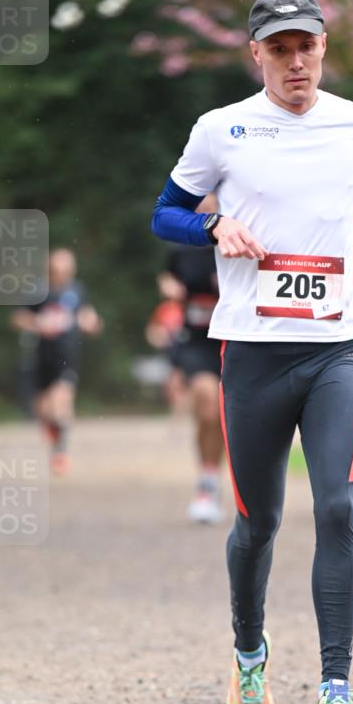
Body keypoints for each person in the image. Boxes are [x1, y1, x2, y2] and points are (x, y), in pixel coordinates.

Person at [152, 0, 353, 704]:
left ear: (323, 47)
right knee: (258, 523)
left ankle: (335, 691)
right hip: (252, 353)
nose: (296, 61)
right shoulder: (220, 129)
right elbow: (164, 212)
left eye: (307, 46)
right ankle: (249, 659)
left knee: (338, 506)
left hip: (335, 345)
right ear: (255, 53)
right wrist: (214, 223)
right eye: (280, 48)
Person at [157, 193, 224, 524]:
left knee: (224, 416)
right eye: (198, 203)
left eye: (210, 202)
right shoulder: (181, 249)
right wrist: (169, 286)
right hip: (196, 340)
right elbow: (167, 276)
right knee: (207, 403)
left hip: (230, 340)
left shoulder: (233, 242)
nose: (203, 207)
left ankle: (217, 476)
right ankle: (207, 482)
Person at [10, 248, 103, 474]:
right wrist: (38, 323)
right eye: (59, 268)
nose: (64, 272)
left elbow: (89, 316)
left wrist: (92, 323)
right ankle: (54, 440)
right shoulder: (38, 291)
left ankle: (60, 453)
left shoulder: (77, 291)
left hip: (66, 356)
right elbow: (17, 318)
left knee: (61, 401)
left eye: (68, 268)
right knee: (43, 410)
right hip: (40, 356)